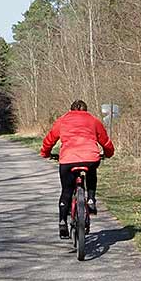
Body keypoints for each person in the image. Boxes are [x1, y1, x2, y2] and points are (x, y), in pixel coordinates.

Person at [40, 100, 115, 237]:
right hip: (90, 158)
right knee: (92, 172)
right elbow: (105, 141)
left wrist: (45, 153)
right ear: (86, 110)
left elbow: (50, 139)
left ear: (71, 109)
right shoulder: (94, 121)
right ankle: (91, 199)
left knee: (67, 191)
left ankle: (62, 221)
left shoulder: (62, 120)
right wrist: (108, 154)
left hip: (68, 160)